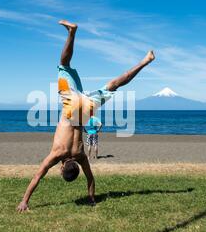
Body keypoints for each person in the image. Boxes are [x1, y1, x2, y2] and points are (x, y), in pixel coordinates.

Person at [16, 20, 155, 212]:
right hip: (72, 103)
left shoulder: (81, 156)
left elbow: (90, 179)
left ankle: (145, 61)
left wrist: (91, 198)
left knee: (113, 84)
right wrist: (24, 200)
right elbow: (37, 175)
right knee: (63, 65)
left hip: (84, 110)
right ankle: (72, 33)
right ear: (62, 168)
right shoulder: (58, 155)